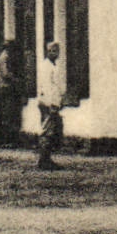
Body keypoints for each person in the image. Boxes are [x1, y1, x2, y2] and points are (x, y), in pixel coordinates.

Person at [37, 40, 67, 171]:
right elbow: (47, 86)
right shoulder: (45, 66)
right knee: (47, 130)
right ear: (47, 51)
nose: (55, 53)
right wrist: (51, 104)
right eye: (53, 51)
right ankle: (44, 159)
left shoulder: (54, 65)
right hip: (48, 102)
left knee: (52, 129)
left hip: (54, 102)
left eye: (57, 51)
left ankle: (46, 158)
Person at [0, 39, 24, 146]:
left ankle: (0, 137)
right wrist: (16, 79)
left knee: (4, 112)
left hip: (4, 87)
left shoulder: (3, 56)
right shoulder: (4, 57)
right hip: (5, 88)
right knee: (6, 112)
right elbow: (5, 74)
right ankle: (3, 138)